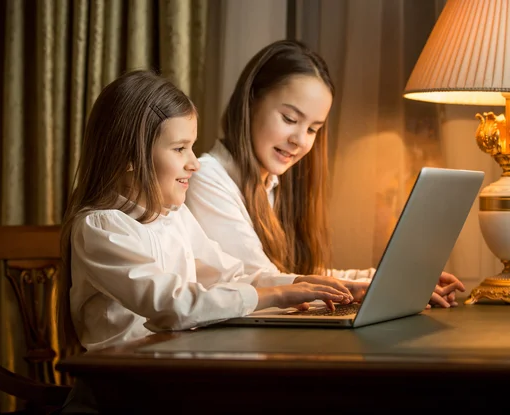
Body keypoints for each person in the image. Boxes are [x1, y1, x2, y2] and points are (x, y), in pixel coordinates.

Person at [58, 69, 355, 354]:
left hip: (170, 370)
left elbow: (228, 275)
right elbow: (172, 304)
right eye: (179, 149)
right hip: (120, 386)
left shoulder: (175, 216)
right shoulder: (101, 228)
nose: (194, 163)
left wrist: (296, 284)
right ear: (129, 157)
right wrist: (277, 296)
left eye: (192, 147)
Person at [185, 40, 464, 308]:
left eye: (312, 129)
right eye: (290, 119)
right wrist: (378, 288)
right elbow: (261, 283)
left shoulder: (271, 184)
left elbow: (304, 275)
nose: (299, 140)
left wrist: (390, 280)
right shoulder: (207, 178)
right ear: (250, 101)